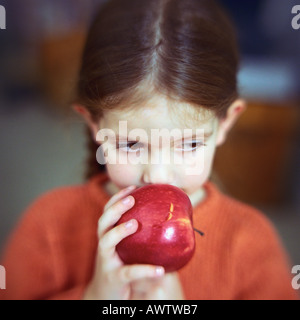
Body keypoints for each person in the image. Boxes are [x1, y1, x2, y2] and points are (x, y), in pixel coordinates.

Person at [0, 0, 298, 300]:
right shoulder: (48, 226)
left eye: (190, 144)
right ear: (93, 124)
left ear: (225, 124)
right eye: (131, 144)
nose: (157, 175)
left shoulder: (251, 242)